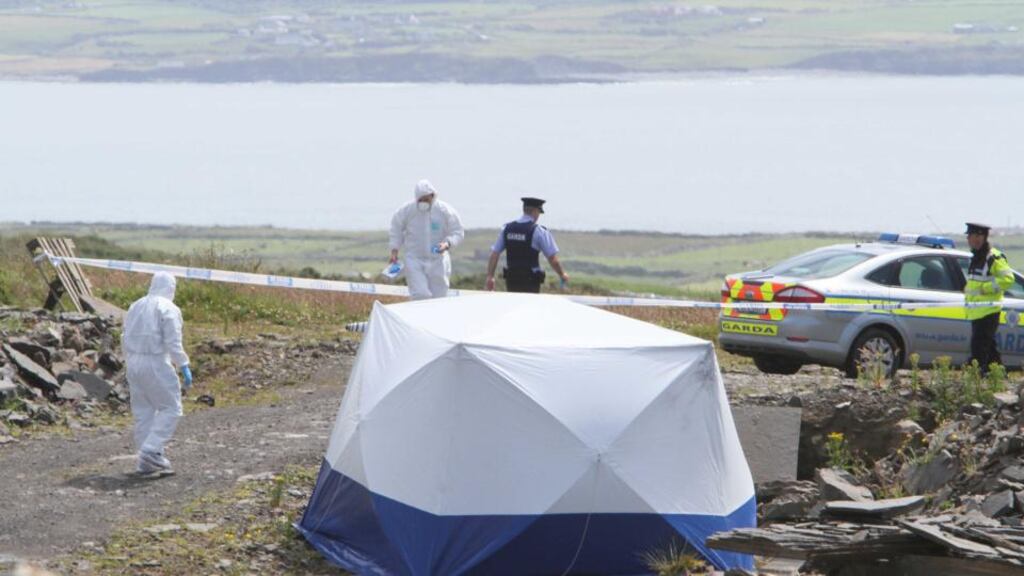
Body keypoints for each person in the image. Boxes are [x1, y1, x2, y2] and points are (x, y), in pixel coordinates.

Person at [122, 272, 192, 475]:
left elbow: (124, 335)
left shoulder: (136, 305)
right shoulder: (168, 307)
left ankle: (147, 462)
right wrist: (183, 364)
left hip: (133, 362)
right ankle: (152, 451)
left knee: (144, 411)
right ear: (171, 287)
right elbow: (173, 341)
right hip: (155, 360)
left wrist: (128, 359)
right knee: (171, 407)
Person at [389, 179, 465, 300]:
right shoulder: (407, 210)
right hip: (414, 259)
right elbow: (396, 229)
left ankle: (436, 319)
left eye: (426, 199)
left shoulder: (445, 210)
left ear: (432, 196)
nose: (424, 202)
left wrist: (447, 243)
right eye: (421, 199)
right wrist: (394, 250)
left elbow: (457, 231)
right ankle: (416, 318)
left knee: (439, 298)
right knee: (420, 294)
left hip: (438, 261)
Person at [486, 197, 569, 293]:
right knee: (529, 307)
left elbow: (495, 254)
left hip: (512, 279)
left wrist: (490, 276)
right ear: (535, 211)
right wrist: (562, 274)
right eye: (539, 213)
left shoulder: (507, 229)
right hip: (531, 281)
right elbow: (552, 258)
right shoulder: (538, 231)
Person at [964, 222, 1014, 374]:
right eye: (969, 236)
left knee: (978, 349)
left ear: (981, 237)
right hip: (976, 312)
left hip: (989, 311)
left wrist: (986, 289)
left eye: (972, 236)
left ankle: (976, 380)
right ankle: (1000, 377)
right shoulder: (975, 257)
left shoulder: (993, 257)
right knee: (990, 350)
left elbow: (1008, 279)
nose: (969, 239)